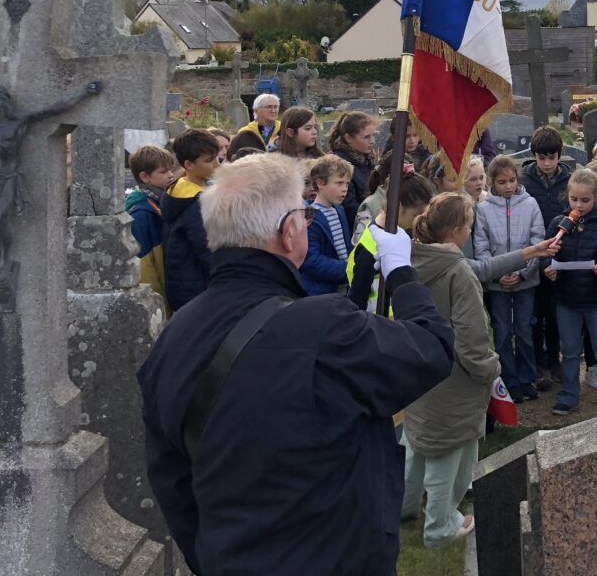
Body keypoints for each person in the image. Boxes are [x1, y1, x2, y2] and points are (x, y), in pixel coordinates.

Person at [137, 153, 454, 576]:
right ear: (289, 232)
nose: (305, 223)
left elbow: (172, 483)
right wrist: (400, 272)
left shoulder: (173, 337)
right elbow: (432, 348)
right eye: (304, 215)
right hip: (334, 558)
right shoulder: (322, 328)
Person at [401, 192, 499, 548]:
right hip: (454, 378)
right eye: (469, 226)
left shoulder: (407, 261)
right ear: (457, 230)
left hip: (418, 371)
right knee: (449, 457)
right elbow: (471, 336)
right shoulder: (458, 272)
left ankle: (402, 506)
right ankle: (439, 527)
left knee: (414, 445)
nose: (470, 232)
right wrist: (488, 368)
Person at [543, 168, 597, 415]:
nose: (578, 205)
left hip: (596, 299)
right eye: (574, 199)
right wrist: (549, 267)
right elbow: (545, 253)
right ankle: (569, 395)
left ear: (596, 197)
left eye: (585, 200)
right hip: (566, 298)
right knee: (569, 351)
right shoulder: (559, 223)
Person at [474, 156, 546, 402]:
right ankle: (509, 379)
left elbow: (537, 241)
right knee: (502, 330)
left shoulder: (530, 204)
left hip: (525, 280)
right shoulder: (483, 209)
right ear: (492, 182)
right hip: (497, 282)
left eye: (512, 181)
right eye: (502, 182)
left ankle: (526, 377)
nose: (508, 186)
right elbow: (481, 245)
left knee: (524, 328)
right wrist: (497, 274)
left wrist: (523, 273)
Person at [521, 126, 573, 391]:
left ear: (559, 154)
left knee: (555, 312)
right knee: (534, 313)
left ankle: (554, 360)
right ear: (534, 156)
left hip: (558, 254)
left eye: (552, 157)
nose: (547, 163)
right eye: (542, 158)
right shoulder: (524, 180)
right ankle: (538, 363)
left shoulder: (569, 180)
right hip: (532, 253)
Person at [347, 173, 435, 312]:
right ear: (397, 206)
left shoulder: (401, 231)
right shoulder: (370, 246)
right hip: (376, 321)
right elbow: (356, 300)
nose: (419, 221)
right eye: (415, 215)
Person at [161, 129, 221, 312]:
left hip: (184, 286)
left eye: (217, 158)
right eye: (209, 160)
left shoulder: (177, 189)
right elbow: (208, 250)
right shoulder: (196, 204)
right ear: (189, 164)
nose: (217, 164)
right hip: (198, 291)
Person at [125, 144, 179, 312]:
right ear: (145, 177)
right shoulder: (141, 216)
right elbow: (146, 270)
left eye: (171, 170)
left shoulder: (163, 202)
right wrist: (159, 308)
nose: (171, 175)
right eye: (163, 172)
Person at [302, 155, 352, 296]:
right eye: (339, 183)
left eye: (347, 184)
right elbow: (311, 260)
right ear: (320, 183)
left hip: (343, 288)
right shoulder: (309, 217)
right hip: (321, 292)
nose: (344, 189)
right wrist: (348, 269)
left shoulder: (339, 210)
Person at [328, 111, 378, 230]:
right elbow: (349, 206)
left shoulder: (367, 159)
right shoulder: (340, 164)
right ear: (349, 138)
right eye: (366, 137)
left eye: (373, 135)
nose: (372, 141)